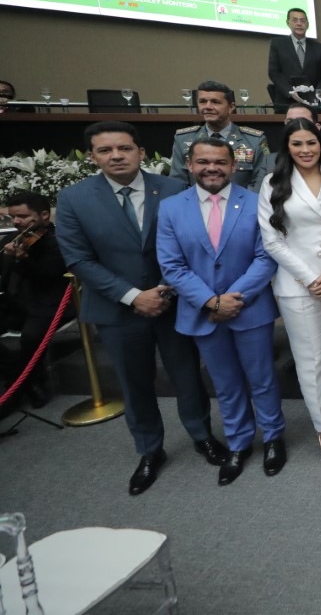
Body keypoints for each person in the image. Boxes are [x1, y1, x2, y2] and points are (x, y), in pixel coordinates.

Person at [56, 123, 227, 496]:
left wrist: (165, 290)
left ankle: (202, 436)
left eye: (124, 148)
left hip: (173, 303)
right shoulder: (74, 199)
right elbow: (79, 259)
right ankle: (150, 450)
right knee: (135, 383)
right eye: (105, 150)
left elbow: (192, 244)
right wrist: (134, 295)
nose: (116, 156)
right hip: (118, 310)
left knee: (187, 376)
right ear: (91, 156)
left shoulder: (173, 189)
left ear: (141, 152)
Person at [156, 138, 286, 486]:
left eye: (219, 162)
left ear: (233, 165)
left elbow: (266, 256)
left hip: (249, 308)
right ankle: (240, 443)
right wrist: (210, 302)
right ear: (189, 164)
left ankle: (274, 437)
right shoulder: (171, 208)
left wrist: (231, 298)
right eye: (203, 161)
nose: (211, 168)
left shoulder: (256, 202)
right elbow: (172, 266)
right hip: (203, 313)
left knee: (262, 379)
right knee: (226, 384)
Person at [257, 119, 321, 467]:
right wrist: (312, 276)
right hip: (298, 286)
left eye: (310, 142)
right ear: (287, 147)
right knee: (311, 361)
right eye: (297, 144)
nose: (305, 150)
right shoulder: (273, 183)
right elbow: (272, 240)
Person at [0, 191, 72, 409]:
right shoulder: (10, 239)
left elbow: (48, 276)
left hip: (50, 302)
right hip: (15, 301)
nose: (16, 222)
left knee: (30, 337)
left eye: (22, 216)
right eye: (13, 217)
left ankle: (30, 383)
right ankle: (14, 370)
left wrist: (23, 260)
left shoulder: (58, 241)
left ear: (43, 215)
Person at [170, 80, 269, 190]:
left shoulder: (255, 140)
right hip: (195, 204)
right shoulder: (183, 139)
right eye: (202, 101)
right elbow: (177, 183)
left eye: (215, 102)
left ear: (231, 107)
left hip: (241, 204)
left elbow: (260, 184)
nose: (207, 106)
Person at [268, 8, 321, 112]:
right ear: (288, 23)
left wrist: (317, 95)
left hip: (314, 105)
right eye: (295, 20)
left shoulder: (320, 48)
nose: (299, 24)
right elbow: (274, 72)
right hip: (286, 103)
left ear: (308, 24)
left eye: (302, 21)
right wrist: (290, 91)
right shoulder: (277, 44)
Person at [269, 104, 321, 171]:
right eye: (290, 122)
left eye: (304, 121)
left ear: (317, 127)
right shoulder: (270, 162)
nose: (297, 125)